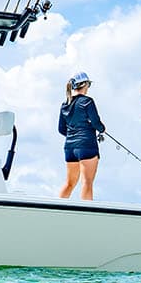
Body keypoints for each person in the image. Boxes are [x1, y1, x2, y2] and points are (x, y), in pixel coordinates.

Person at [58, 71, 106, 200]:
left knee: (69, 183)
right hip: (87, 146)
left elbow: (61, 129)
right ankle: (87, 212)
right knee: (87, 182)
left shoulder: (65, 104)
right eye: (89, 84)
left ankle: (55, 209)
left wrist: (73, 135)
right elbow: (96, 123)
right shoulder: (87, 101)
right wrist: (102, 129)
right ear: (85, 84)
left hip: (69, 148)